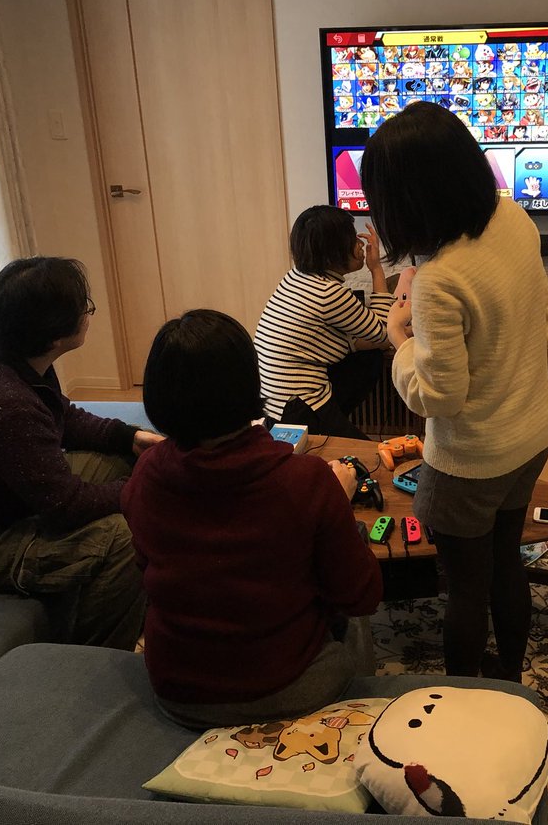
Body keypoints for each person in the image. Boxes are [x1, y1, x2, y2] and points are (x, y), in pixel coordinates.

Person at [359, 101, 548, 682]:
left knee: (466, 589)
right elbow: (542, 316)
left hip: (471, 459)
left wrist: (399, 336)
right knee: (507, 561)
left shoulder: (441, 281)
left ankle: (464, 696)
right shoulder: (512, 217)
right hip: (532, 433)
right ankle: (510, 677)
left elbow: (438, 398)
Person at [122, 309, 383, 728]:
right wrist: (338, 501)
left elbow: (146, 569)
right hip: (285, 687)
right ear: (250, 385)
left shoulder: (146, 475)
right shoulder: (306, 480)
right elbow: (361, 596)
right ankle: (362, 714)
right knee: (352, 592)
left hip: (178, 692)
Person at [0, 257, 162, 650]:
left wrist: (129, 437)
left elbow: (62, 416)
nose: (88, 314)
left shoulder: (8, 358)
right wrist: (148, 487)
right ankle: (96, 653)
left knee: (128, 461)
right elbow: (66, 506)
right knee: (122, 536)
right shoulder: (3, 403)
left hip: (5, 506)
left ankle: (141, 598)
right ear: (54, 336)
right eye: (85, 307)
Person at [255, 205, 395, 439]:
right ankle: (330, 429)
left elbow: (334, 339)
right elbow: (383, 332)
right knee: (366, 454)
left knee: (368, 358)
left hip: (274, 402)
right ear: (334, 251)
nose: (360, 245)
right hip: (297, 407)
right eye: (353, 239)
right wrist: (376, 268)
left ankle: (336, 421)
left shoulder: (295, 277)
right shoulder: (328, 293)